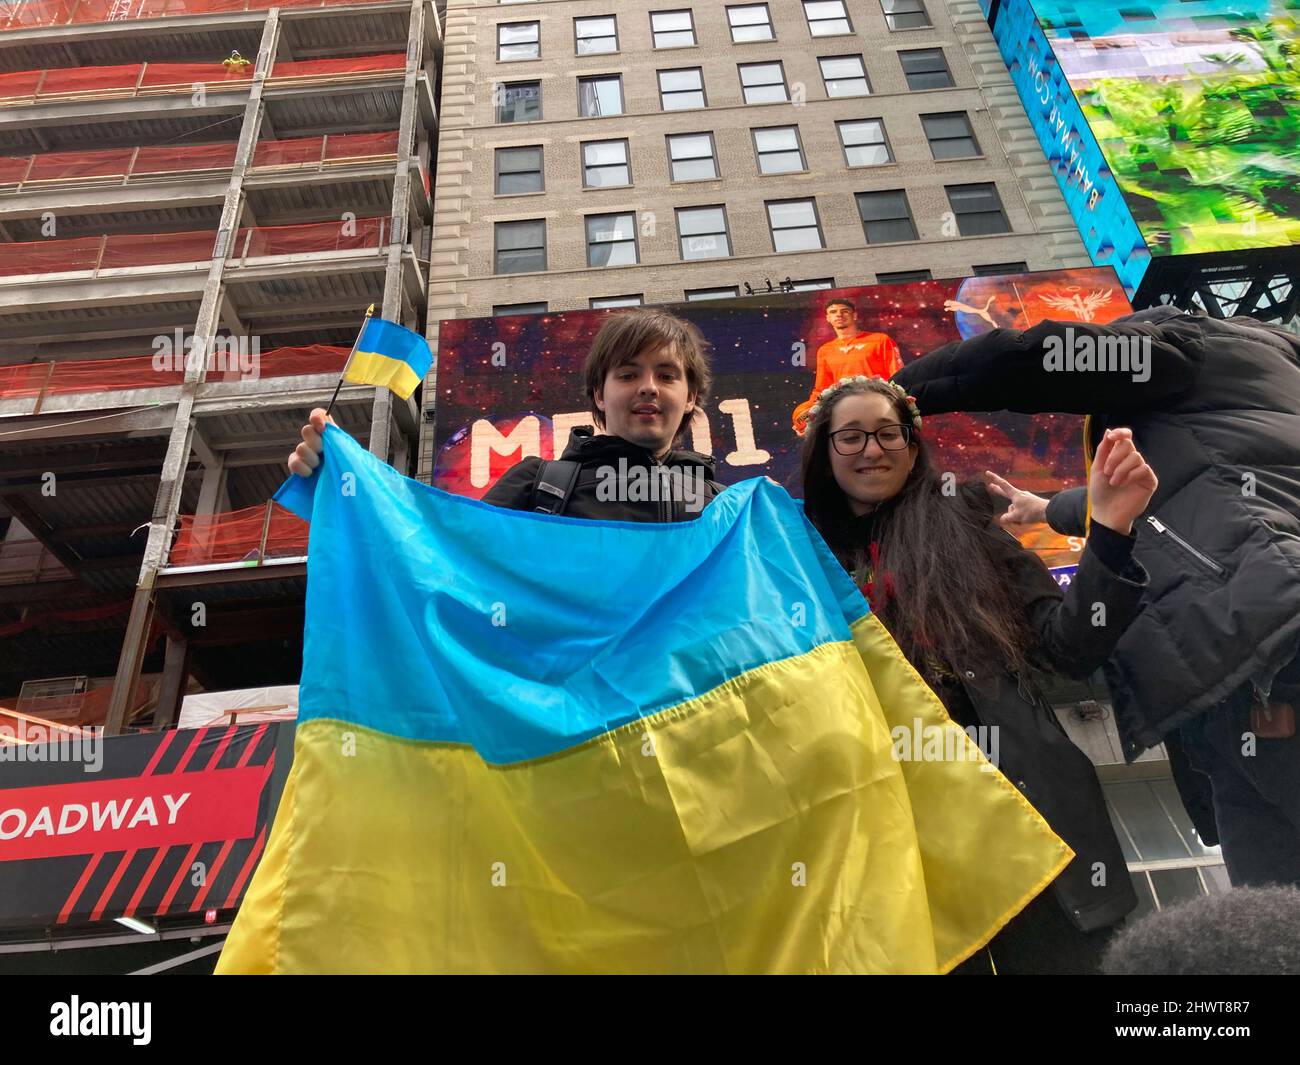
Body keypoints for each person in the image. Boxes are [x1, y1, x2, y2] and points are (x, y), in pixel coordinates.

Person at [893, 306, 1300, 889]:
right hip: (1231, 678)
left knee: (1274, 919)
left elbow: (1040, 356)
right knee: (1273, 927)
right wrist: (1046, 508)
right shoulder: (1262, 390)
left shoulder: (1195, 345)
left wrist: (893, 393)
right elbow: (1169, 494)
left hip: (1262, 649)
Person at [800, 374, 1159, 974]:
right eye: (852, 437)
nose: (872, 449)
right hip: (897, 828)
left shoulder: (965, 524)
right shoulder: (797, 560)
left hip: (1023, 811)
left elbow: (1068, 648)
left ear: (913, 446)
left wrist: (1112, 533)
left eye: (889, 433)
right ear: (824, 452)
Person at [791, 299, 902, 435]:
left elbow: (898, 376)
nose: (839, 315)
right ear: (828, 318)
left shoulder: (880, 340)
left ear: (854, 315)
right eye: (833, 312)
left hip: (878, 407)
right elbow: (821, 389)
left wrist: (899, 406)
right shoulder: (825, 350)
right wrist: (806, 420)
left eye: (844, 311)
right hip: (846, 412)